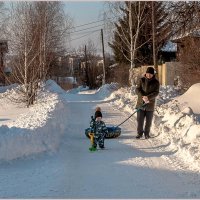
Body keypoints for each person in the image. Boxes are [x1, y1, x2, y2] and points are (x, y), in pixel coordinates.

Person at [135, 66, 160, 139]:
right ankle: (139, 133)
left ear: (153, 74)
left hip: (150, 104)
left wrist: (148, 97)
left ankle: (147, 134)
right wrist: (143, 96)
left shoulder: (156, 82)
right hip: (140, 103)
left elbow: (156, 92)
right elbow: (137, 89)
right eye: (148, 73)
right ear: (145, 73)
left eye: (150, 74)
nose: (149, 75)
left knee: (148, 122)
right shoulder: (141, 80)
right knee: (140, 121)